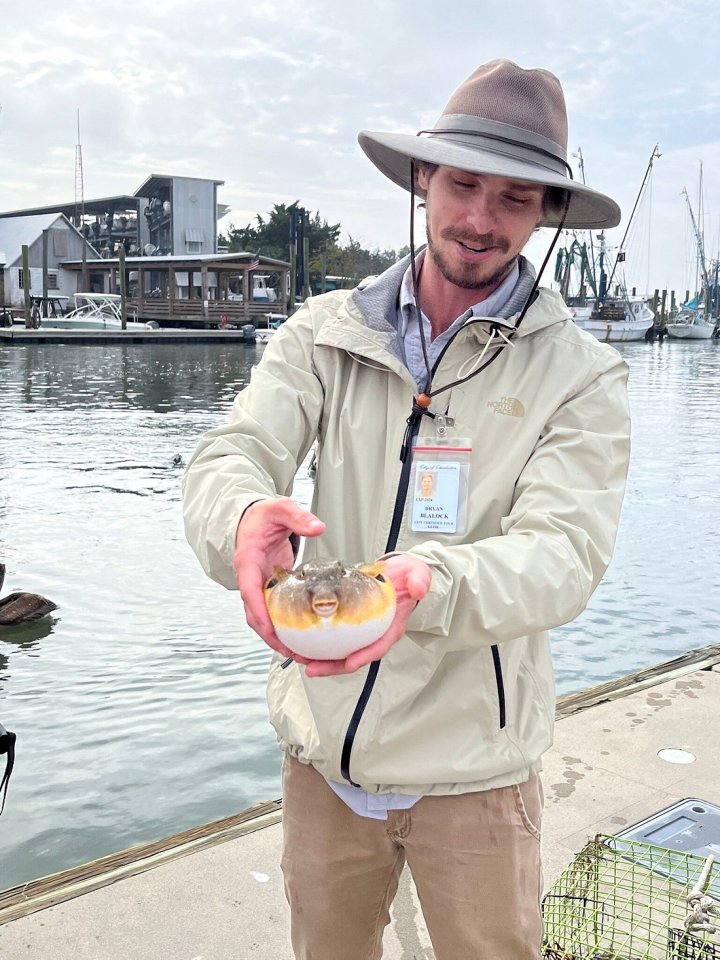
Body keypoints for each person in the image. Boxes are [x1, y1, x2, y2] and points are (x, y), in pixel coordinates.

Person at [182, 58, 630, 960]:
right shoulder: (319, 333)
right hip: (324, 753)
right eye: (462, 184)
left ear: (545, 210)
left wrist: (431, 580)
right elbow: (233, 453)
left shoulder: (583, 375)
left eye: (513, 198)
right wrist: (240, 518)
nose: (479, 219)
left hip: (477, 773)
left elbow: (565, 553)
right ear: (423, 178)